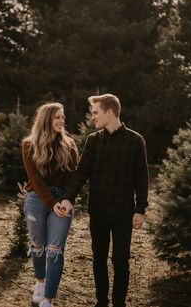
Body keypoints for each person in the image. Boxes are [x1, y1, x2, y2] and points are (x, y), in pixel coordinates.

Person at [55, 94, 149, 307]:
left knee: (119, 260)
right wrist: (68, 198)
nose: (93, 117)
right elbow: (81, 172)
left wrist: (140, 210)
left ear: (110, 112)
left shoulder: (135, 141)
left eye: (96, 112)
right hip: (98, 212)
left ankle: (119, 304)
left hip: (123, 213)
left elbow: (142, 179)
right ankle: (101, 302)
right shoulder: (93, 140)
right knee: (98, 258)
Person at [22, 102, 78, 307]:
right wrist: (51, 202)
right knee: (38, 246)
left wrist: (67, 200)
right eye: (58, 117)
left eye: (63, 117)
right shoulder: (29, 144)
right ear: (46, 119)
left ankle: (48, 298)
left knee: (55, 250)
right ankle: (40, 282)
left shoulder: (70, 144)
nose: (62, 121)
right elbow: (35, 180)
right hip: (37, 199)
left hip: (62, 202)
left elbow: (73, 177)